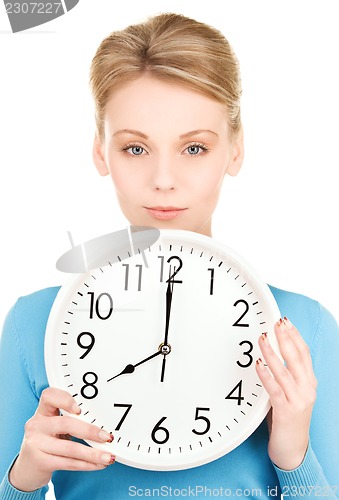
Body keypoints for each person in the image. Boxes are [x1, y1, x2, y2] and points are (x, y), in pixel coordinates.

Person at [0, 12, 338, 500]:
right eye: (135, 149)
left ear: (236, 150)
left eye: (194, 148)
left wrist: (294, 457)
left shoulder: (306, 328)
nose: (163, 178)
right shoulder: (36, 324)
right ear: (100, 152)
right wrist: (23, 479)